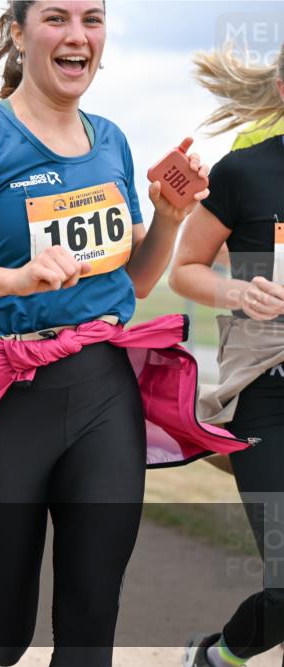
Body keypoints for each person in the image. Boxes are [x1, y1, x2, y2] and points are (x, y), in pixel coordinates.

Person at [0, 3, 220, 665]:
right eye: (57, 18)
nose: (77, 36)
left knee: (92, 621)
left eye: (92, 19)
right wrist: (15, 280)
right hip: (4, 399)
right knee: (3, 638)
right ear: (18, 31)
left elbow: (138, 280)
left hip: (101, 390)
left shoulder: (111, 140)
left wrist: (169, 217)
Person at [171, 43, 284, 667]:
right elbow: (185, 270)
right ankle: (217, 657)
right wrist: (237, 289)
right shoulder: (244, 173)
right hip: (268, 392)